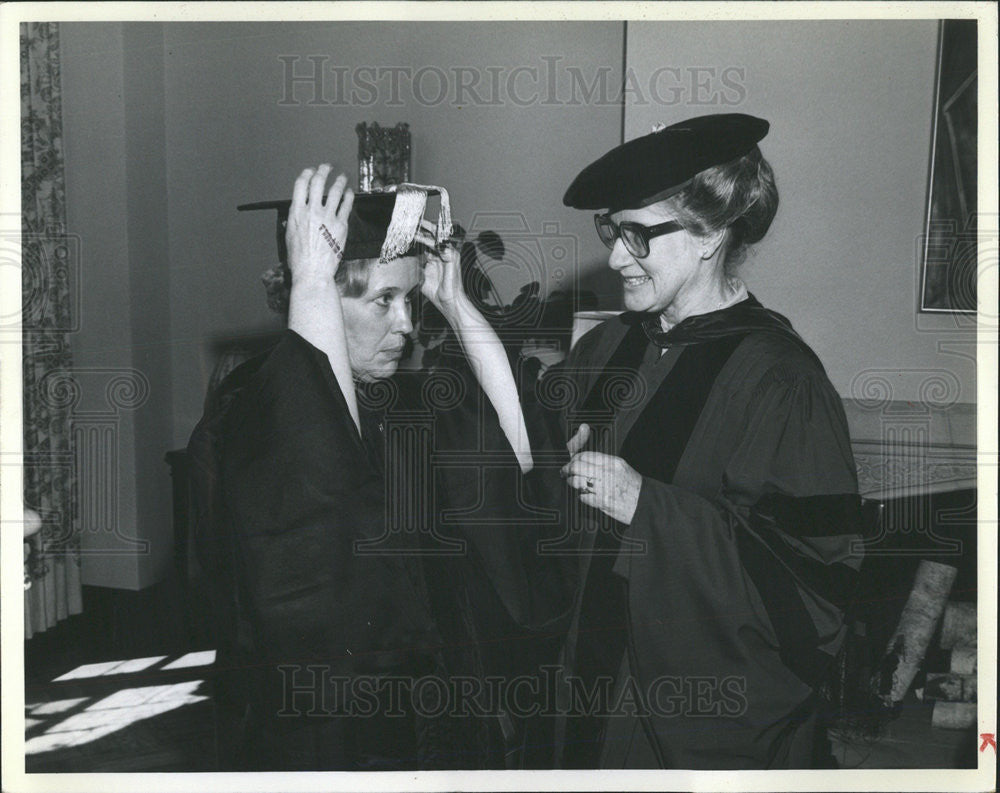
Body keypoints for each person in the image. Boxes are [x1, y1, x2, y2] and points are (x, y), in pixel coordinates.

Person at [187, 166, 571, 770]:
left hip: (435, 698)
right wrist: (310, 284)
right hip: (331, 720)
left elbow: (517, 450)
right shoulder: (255, 406)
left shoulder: (404, 398)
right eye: (382, 301)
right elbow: (321, 487)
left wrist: (455, 300)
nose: (407, 325)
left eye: (410, 300)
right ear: (313, 296)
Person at [545, 113, 866, 768]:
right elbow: (521, 465)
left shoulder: (782, 383)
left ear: (710, 234)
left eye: (637, 234)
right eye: (612, 229)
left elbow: (814, 598)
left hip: (678, 734)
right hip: (585, 697)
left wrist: (648, 507)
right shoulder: (606, 348)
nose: (612, 257)